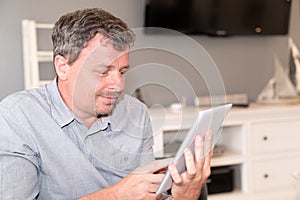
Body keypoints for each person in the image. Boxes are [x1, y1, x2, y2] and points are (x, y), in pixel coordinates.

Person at [0, 8, 213, 200]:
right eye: (103, 71)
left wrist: (186, 195)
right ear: (63, 67)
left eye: (122, 72)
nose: (119, 85)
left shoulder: (135, 112)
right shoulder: (17, 117)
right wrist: (116, 195)